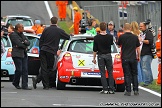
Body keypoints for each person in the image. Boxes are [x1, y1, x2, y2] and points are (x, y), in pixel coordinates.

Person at [32, 16, 70, 90]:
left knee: (44, 67)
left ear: (50, 22)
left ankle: (38, 80)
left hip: (43, 50)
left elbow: (41, 40)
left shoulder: (46, 29)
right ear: (57, 22)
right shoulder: (59, 30)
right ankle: (44, 84)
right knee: (50, 68)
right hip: (51, 51)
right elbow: (68, 37)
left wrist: (41, 48)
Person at [117, 23, 140, 96]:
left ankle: (128, 90)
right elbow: (138, 48)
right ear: (130, 28)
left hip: (125, 57)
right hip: (133, 57)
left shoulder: (121, 36)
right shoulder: (135, 37)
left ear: (124, 28)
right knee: (134, 74)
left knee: (127, 74)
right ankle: (136, 90)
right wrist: (138, 56)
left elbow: (118, 45)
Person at [92, 22, 115, 94]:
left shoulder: (96, 38)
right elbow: (111, 44)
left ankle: (105, 89)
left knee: (102, 73)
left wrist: (94, 58)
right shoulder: (110, 37)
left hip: (100, 55)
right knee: (110, 72)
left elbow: (95, 49)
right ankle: (111, 89)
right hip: (108, 55)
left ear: (100, 28)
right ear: (106, 28)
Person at [9, 23, 31, 90]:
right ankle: (15, 82)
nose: (23, 29)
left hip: (23, 54)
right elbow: (18, 43)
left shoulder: (22, 34)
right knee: (19, 69)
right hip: (17, 54)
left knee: (25, 70)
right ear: (18, 28)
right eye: (22, 27)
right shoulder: (13, 35)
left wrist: (23, 42)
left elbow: (28, 42)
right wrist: (24, 45)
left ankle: (25, 85)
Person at [139, 22, 154, 86]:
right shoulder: (141, 34)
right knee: (145, 67)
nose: (140, 27)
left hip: (147, 53)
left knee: (145, 67)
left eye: (141, 26)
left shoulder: (149, 33)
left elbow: (150, 41)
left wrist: (142, 40)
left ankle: (147, 81)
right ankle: (149, 80)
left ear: (145, 26)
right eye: (139, 26)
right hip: (142, 53)